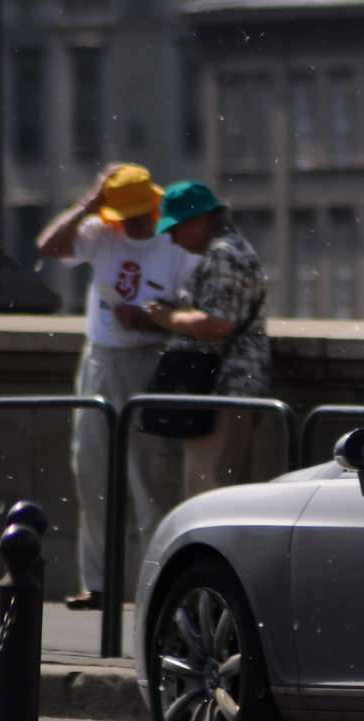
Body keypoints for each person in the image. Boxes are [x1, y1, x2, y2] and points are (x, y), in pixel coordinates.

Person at [37, 164, 199, 611]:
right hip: (100, 360)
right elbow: (50, 245)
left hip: (149, 362)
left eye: (139, 216)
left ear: (153, 205)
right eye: (124, 217)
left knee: (152, 478)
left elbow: (195, 311)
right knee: (91, 472)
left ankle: (159, 584)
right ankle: (99, 583)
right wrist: (89, 202)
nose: (132, 225)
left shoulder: (175, 243)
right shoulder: (102, 230)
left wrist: (150, 318)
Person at [142, 182, 271, 497]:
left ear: (198, 221)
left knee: (209, 489)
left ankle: (209, 548)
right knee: (215, 484)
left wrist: (168, 318)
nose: (171, 238)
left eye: (174, 229)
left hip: (223, 384)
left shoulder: (223, 254)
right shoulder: (228, 250)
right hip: (223, 383)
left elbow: (218, 324)